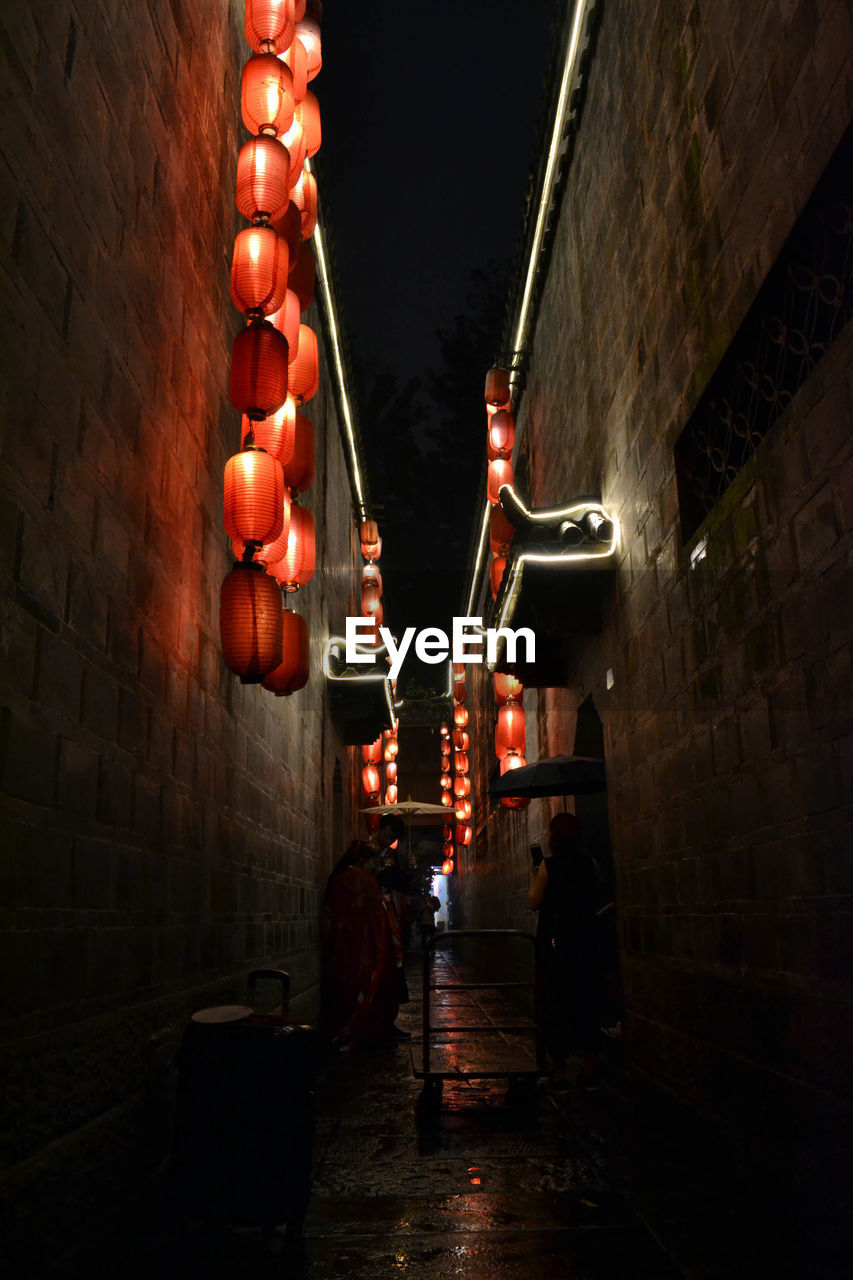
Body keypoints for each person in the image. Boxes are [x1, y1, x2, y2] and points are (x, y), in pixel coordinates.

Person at [529, 812, 603, 1090]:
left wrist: (535, 873)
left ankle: (559, 1069)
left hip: (555, 945)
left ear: (554, 837)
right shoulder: (590, 864)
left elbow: (534, 901)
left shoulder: (550, 866)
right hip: (585, 942)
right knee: (586, 1002)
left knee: (557, 1004)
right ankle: (591, 1064)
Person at [323, 840, 403, 1048]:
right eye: (373, 861)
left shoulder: (338, 879)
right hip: (365, 941)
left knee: (344, 981)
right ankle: (359, 1026)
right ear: (363, 860)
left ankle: (341, 1024)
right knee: (366, 981)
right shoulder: (367, 881)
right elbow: (377, 916)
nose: (375, 866)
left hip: (341, 940)